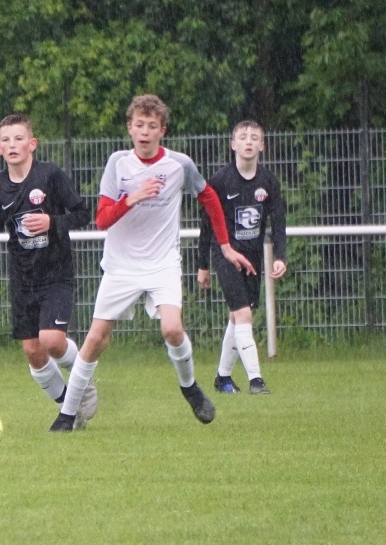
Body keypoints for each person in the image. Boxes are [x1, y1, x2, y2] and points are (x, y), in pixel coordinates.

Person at [48, 94, 256, 432]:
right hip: (121, 266)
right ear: (130, 128)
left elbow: (209, 199)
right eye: (139, 125)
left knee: (172, 329)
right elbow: (102, 219)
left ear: (162, 131)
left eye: (152, 126)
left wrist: (225, 245)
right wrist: (132, 198)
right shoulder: (117, 163)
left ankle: (189, 387)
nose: (145, 132)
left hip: (162, 264)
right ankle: (67, 415)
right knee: (96, 339)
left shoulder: (179, 164)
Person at [0, 114, 96, 427]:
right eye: (6, 140)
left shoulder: (50, 176)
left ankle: (83, 379)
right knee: (34, 352)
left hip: (56, 274)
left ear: (32, 144)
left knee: (52, 340)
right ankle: (70, 406)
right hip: (23, 279)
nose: (12, 145)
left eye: (19, 138)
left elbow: (82, 214)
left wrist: (52, 221)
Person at [197, 120, 287, 395]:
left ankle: (223, 378)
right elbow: (206, 225)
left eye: (254, 137)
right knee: (243, 313)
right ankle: (256, 380)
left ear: (262, 145)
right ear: (233, 144)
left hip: (253, 254)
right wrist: (202, 265)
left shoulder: (268, 181)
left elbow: (278, 221)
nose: (249, 141)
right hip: (225, 253)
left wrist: (280, 256)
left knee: (238, 317)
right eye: (243, 137)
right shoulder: (220, 181)